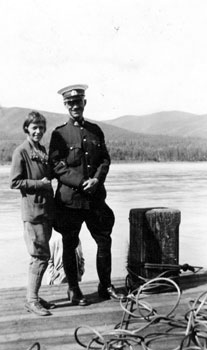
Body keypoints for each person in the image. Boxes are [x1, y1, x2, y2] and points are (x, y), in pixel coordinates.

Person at [48, 84, 124, 306]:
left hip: (95, 199)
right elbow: (56, 166)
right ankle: (73, 289)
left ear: (84, 103)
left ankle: (105, 286)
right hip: (70, 200)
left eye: (78, 102)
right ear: (65, 105)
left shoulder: (95, 130)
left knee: (104, 240)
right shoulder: (59, 134)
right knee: (69, 243)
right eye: (70, 103)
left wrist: (97, 180)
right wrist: (82, 182)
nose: (74, 106)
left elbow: (104, 159)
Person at [10, 111, 55, 316]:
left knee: (41, 255)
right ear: (27, 128)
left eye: (41, 128)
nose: (38, 131)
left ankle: (33, 295)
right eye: (34, 127)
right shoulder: (21, 151)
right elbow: (15, 182)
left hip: (45, 210)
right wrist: (40, 184)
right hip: (33, 212)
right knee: (40, 256)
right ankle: (32, 300)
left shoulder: (42, 150)